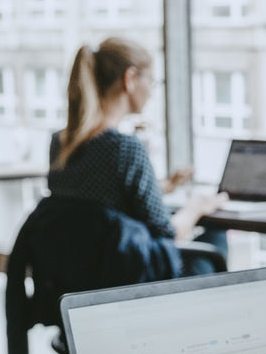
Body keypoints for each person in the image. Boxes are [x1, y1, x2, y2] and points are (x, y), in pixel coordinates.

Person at [48, 37, 224, 268]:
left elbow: (103, 199)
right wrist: (197, 207)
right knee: (215, 236)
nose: (151, 91)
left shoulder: (60, 142)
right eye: (151, 80)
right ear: (130, 79)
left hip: (84, 276)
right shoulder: (124, 148)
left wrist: (165, 186)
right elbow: (167, 234)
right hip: (130, 280)